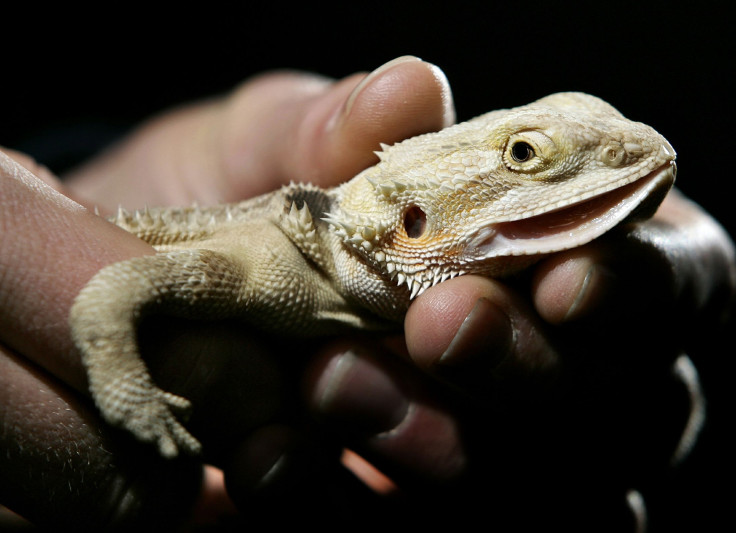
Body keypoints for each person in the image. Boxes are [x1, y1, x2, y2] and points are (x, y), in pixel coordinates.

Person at [1, 56, 733, 530]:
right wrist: (130, 398)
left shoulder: (363, 305)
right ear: (414, 218)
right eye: (525, 156)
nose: (617, 148)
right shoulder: (272, 268)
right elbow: (108, 295)